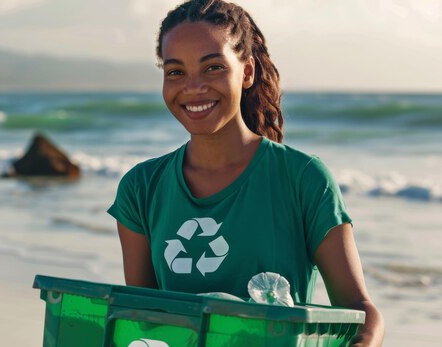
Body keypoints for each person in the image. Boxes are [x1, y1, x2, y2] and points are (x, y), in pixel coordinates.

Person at [107, 0, 384, 345]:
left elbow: (360, 309)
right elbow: (143, 321)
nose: (193, 87)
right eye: (176, 72)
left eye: (212, 68)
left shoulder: (303, 178)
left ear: (247, 72)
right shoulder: (141, 188)